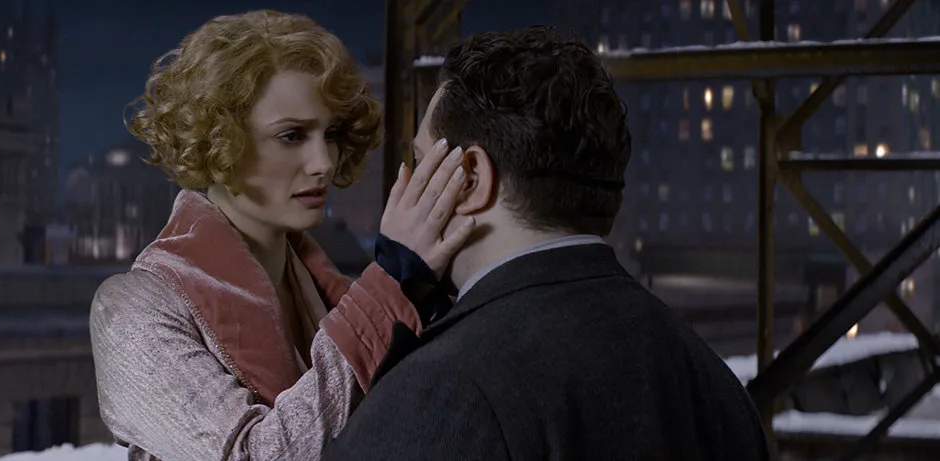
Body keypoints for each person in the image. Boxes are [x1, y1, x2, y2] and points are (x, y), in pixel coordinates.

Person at [321, 26, 771, 461]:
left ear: (470, 179)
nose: (409, 183)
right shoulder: (712, 381)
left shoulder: (442, 389)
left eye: (420, 161)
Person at [89, 10, 473, 460]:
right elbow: (257, 455)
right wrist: (391, 284)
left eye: (331, 133)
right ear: (219, 139)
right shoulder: (134, 309)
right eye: (292, 136)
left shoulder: (329, 291)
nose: (324, 162)